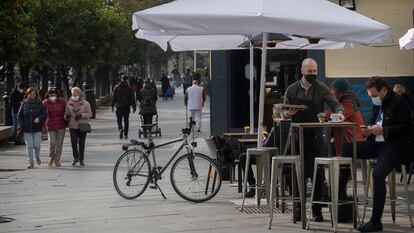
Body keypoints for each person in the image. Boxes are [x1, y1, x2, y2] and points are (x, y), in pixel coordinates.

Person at [341, 76, 412, 232]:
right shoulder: (377, 104)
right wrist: (367, 130)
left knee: (378, 175)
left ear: (384, 90)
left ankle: (375, 221)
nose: (373, 99)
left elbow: (407, 128)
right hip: (375, 144)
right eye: (370, 96)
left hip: (395, 146)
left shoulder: (400, 103)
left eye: (374, 96)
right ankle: (342, 196)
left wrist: (383, 131)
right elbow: (375, 122)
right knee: (347, 149)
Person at [282, 58, 345, 222]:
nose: (313, 74)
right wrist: (288, 114)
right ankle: (298, 209)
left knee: (318, 175)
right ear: (302, 71)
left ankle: (317, 210)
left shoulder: (321, 88)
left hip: (316, 136)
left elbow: (336, 104)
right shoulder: (291, 90)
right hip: (297, 136)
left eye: (315, 71)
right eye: (310, 71)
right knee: (297, 175)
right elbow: (282, 113)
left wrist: (340, 112)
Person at [239, 105, 283, 198]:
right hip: (274, 153)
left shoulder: (276, 127)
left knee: (243, 157)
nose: (272, 117)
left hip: (268, 155)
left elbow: (266, 145)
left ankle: (252, 187)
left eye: (273, 115)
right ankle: (255, 186)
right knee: (245, 155)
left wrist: (263, 140)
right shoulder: (283, 127)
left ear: (278, 116)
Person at [329, 79, 365, 156]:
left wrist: (321, 115)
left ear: (340, 93)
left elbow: (337, 117)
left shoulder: (348, 103)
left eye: (332, 89)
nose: (330, 92)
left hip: (353, 141)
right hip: (346, 139)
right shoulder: (342, 102)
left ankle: (343, 167)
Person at [18, 87, 46, 169]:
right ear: (27, 95)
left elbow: (44, 114)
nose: (32, 96)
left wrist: (39, 118)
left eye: (33, 94)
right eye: (30, 94)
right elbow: (20, 115)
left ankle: (37, 157)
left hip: (37, 128)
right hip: (27, 129)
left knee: (37, 145)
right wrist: (22, 124)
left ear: (36, 95)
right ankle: (31, 162)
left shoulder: (40, 104)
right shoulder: (24, 104)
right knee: (29, 146)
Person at [65, 87, 92, 166]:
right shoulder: (69, 103)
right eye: (73, 95)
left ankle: (81, 159)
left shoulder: (85, 103)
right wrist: (66, 116)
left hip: (82, 125)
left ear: (80, 94)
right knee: (73, 142)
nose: (74, 96)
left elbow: (90, 114)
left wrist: (81, 115)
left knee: (81, 143)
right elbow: (66, 113)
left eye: (76, 95)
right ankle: (75, 157)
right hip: (72, 125)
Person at [42, 88, 67, 167]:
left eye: (54, 95)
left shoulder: (62, 101)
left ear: (57, 95)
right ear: (48, 95)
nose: (53, 96)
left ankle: (57, 160)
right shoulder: (45, 102)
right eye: (51, 95)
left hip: (61, 125)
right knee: (52, 143)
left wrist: (67, 116)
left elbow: (67, 111)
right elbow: (42, 113)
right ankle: (51, 157)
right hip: (50, 125)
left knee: (59, 144)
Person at [112, 74, 136, 139]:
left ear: (121, 79)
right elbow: (132, 98)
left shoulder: (116, 87)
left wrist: (112, 106)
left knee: (119, 119)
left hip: (119, 106)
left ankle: (120, 129)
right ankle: (125, 134)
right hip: (126, 106)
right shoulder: (129, 88)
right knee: (126, 120)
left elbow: (114, 97)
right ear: (127, 80)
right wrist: (134, 107)